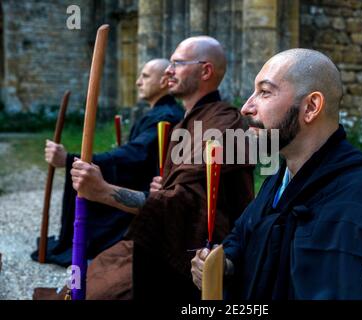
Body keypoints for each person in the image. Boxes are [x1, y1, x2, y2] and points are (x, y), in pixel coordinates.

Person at [191, 48, 362, 300]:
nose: (246, 107)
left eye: (265, 92)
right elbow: (242, 242)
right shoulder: (278, 183)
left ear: (311, 107)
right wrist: (222, 267)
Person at [70, 36, 255, 300]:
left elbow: (189, 202)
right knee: (98, 275)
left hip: (201, 251)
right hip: (169, 235)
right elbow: (179, 189)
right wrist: (164, 187)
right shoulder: (184, 124)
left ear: (205, 71)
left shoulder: (224, 123)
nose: (168, 71)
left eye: (177, 63)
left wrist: (103, 191)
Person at [32, 59, 184, 267]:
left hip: (147, 198)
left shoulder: (165, 116)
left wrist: (70, 159)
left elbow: (134, 155)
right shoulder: (158, 113)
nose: (138, 82)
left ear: (165, 81)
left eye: (146, 76)